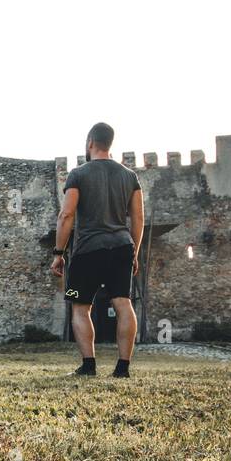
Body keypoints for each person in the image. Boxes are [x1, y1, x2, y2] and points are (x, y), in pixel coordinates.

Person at [50, 122, 145, 378]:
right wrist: (134, 252)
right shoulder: (129, 176)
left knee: (79, 306)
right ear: (109, 143)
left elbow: (66, 214)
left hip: (87, 251)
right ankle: (122, 368)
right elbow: (138, 219)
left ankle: (88, 366)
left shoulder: (78, 174)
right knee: (123, 302)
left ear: (91, 142)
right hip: (122, 247)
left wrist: (58, 253)